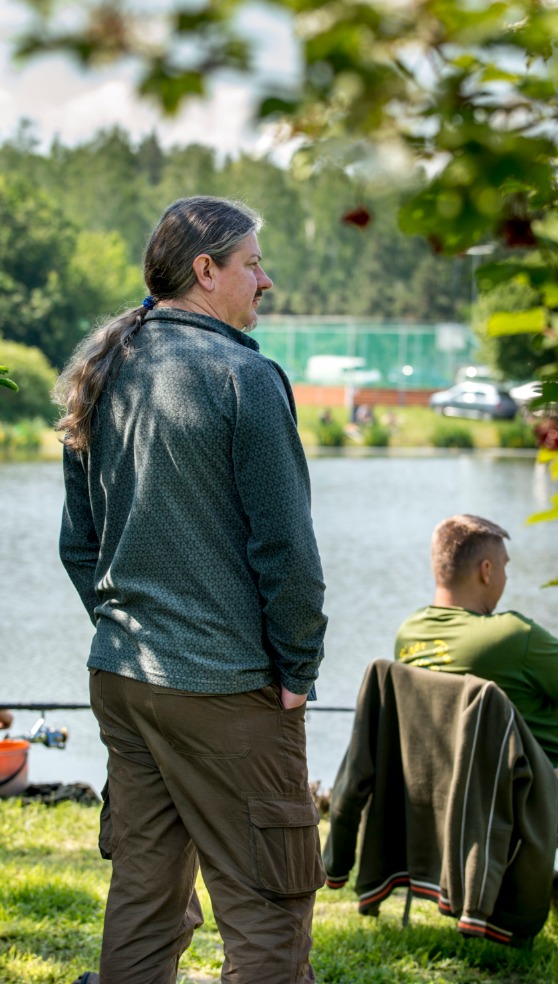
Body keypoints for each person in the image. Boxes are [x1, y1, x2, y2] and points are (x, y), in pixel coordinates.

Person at [56, 195, 328, 984]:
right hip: (226, 692)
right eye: (252, 264)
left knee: (143, 901)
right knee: (268, 908)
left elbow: (79, 544)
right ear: (205, 271)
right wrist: (297, 669)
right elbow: (287, 552)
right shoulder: (244, 375)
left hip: (124, 678)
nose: (264, 280)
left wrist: (124, 624)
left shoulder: (102, 369)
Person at [394, 514, 558, 813]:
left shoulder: (409, 634)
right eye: (505, 567)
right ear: (486, 570)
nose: (506, 578)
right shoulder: (512, 636)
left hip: (470, 809)